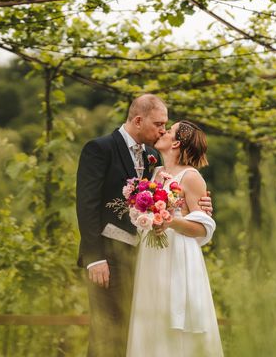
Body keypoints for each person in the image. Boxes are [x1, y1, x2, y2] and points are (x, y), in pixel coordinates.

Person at [76, 95, 212, 357]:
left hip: (145, 260)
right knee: (107, 332)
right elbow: (86, 205)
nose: (163, 129)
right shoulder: (100, 148)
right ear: (138, 120)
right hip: (108, 257)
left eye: (166, 126)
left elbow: (177, 195)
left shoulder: (153, 157)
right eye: (159, 123)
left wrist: (202, 206)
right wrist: (94, 258)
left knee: (135, 334)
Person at [126, 120, 223, 356]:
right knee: (151, 316)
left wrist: (169, 220)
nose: (163, 131)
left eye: (169, 130)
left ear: (176, 142)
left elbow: (203, 227)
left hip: (178, 255)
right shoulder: (156, 172)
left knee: (175, 320)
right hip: (152, 255)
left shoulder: (191, 177)